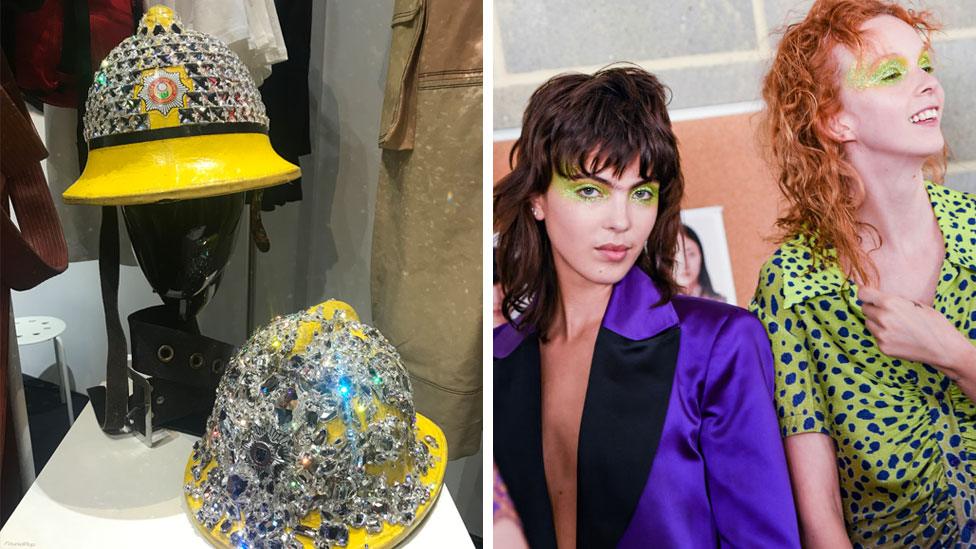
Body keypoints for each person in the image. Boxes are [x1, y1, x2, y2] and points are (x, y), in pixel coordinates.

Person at [493, 66, 800, 548]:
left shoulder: (718, 344)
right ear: (537, 198)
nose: (621, 221)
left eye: (641, 193)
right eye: (591, 190)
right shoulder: (499, 359)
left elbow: (765, 541)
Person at [751, 1, 976, 546]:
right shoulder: (794, 285)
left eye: (926, 65)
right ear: (834, 118)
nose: (927, 84)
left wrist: (954, 353)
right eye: (893, 74)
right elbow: (820, 513)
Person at [674, 223, 726, 302]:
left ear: (701, 255)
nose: (684, 263)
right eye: (673, 255)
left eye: (691, 254)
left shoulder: (718, 303)